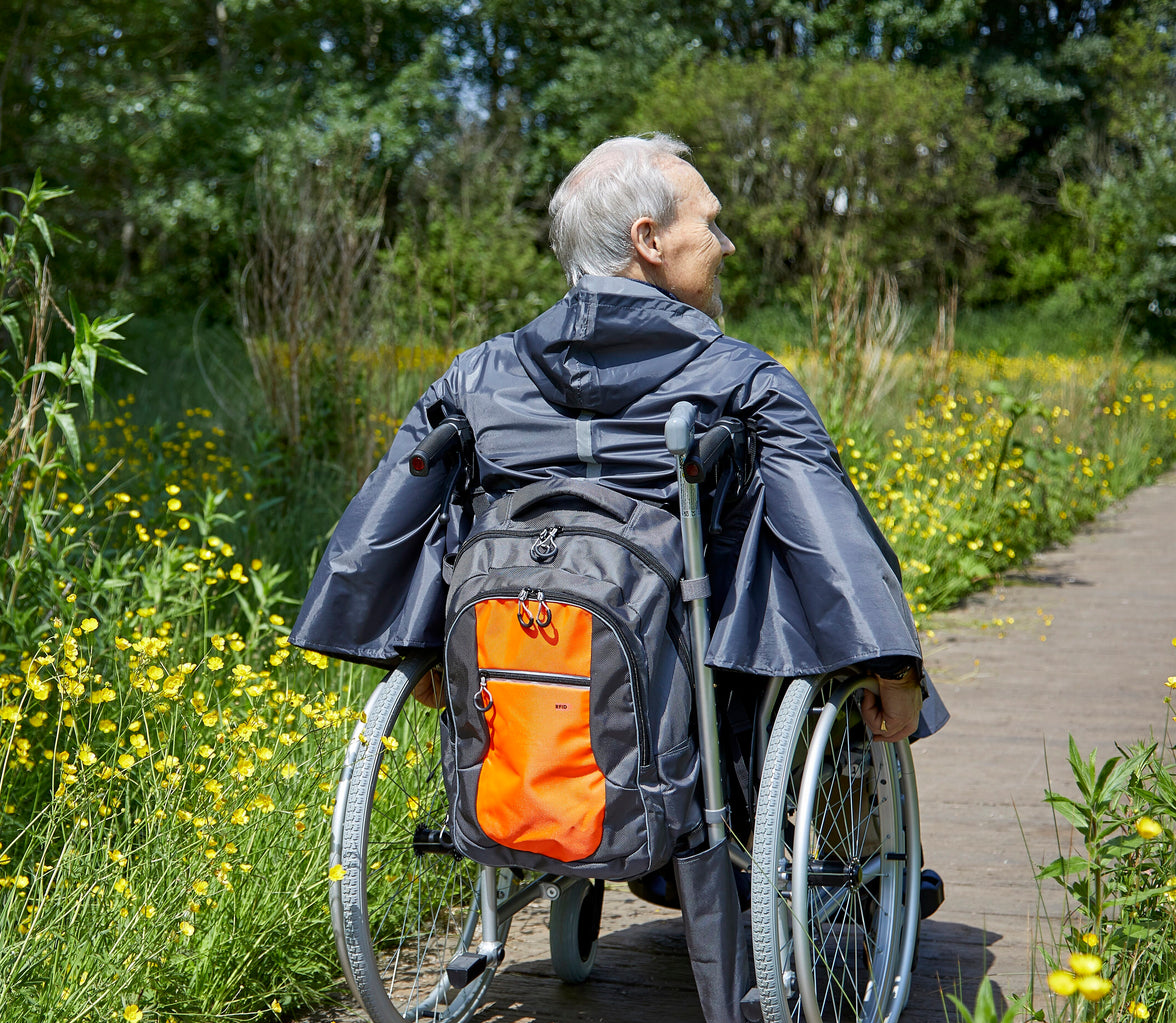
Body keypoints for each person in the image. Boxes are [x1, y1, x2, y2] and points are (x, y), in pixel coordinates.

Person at [291, 132, 946, 750]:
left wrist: (420, 647)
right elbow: (829, 537)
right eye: (710, 223)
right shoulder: (745, 383)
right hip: (709, 719)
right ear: (649, 239)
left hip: (518, 697)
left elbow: (382, 531)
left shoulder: (475, 377)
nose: (727, 245)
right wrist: (893, 667)